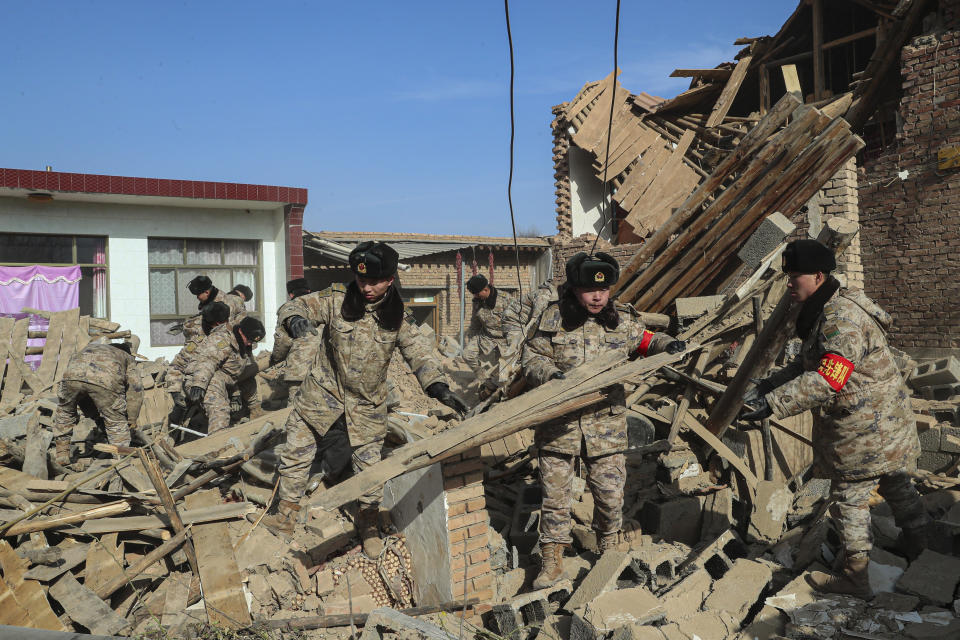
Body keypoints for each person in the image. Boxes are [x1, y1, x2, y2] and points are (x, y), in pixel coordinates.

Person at [742, 239, 928, 598]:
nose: (789, 284)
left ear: (818, 275)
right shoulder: (826, 307)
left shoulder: (840, 319)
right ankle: (924, 555)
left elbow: (829, 378)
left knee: (850, 500)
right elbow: (808, 363)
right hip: (881, 423)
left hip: (865, 428)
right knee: (897, 487)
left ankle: (856, 579)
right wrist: (767, 385)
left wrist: (773, 405)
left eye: (795, 276)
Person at [259, 241, 468, 555]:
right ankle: (285, 516)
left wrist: (438, 387)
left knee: (368, 469)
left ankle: (368, 522)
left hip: (367, 406)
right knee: (295, 456)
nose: (366, 287)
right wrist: (295, 320)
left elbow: (419, 355)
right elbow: (295, 306)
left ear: (389, 279)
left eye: (374, 281)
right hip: (321, 396)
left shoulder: (398, 315)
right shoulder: (336, 300)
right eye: (361, 280)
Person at [522, 252, 685, 588]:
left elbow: (647, 342)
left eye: (604, 290)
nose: (597, 296)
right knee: (555, 498)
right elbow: (531, 357)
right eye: (588, 290)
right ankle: (552, 560)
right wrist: (550, 374)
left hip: (605, 426)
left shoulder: (620, 319)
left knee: (610, 496)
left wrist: (670, 345)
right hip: (559, 426)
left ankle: (608, 549)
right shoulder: (553, 319)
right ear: (574, 289)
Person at [52, 341, 143, 464]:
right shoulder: (126, 357)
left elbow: (82, 383)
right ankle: (122, 460)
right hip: (104, 381)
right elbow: (135, 390)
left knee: (65, 412)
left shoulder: (89, 347)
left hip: (72, 377)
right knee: (115, 421)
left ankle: (62, 454)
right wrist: (132, 419)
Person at [183, 315, 266, 434]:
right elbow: (208, 360)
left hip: (224, 378)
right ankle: (218, 439)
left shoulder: (244, 343)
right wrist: (199, 384)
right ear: (241, 332)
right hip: (204, 377)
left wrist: (236, 391)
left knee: (251, 371)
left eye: (252, 342)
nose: (249, 344)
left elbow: (236, 371)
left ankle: (255, 410)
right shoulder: (222, 339)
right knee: (219, 408)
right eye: (249, 340)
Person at [182, 275, 246, 342]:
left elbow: (223, 328)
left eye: (198, 295)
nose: (197, 298)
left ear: (207, 292)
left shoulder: (224, 306)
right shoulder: (213, 302)